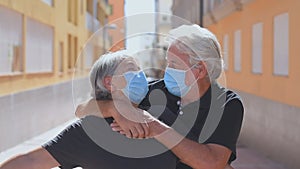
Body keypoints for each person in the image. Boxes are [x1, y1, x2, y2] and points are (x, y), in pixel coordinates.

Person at [78, 24, 244, 169]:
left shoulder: (227, 105)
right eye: (167, 62)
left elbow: (212, 163)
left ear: (199, 70)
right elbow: (82, 110)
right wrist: (115, 109)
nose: (167, 70)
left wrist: (154, 127)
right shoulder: (155, 91)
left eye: (174, 64)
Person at [0, 51, 178, 169]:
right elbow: (31, 161)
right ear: (109, 82)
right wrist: (115, 109)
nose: (141, 77)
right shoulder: (90, 130)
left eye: (140, 71)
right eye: (133, 71)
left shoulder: (160, 112)